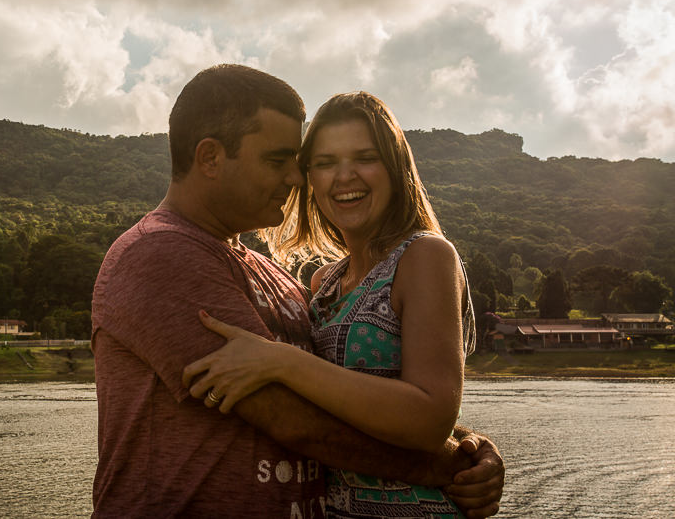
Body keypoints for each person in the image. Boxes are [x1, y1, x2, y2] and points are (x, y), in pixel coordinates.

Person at [91, 65, 504, 518]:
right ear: (209, 158)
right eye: (279, 160)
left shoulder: (281, 276)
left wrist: (464, 442)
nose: (296, 178)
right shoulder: (161, 254)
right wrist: (448, 466)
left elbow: (358, 393)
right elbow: (295, 419)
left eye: (297, 162)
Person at [182, 91, 481, 517]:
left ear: (395, 169)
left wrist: (282, 362)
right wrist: (472, 444)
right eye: (325, 163)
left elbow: (432, 419)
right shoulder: (323, 283)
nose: (344, 176)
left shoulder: (425, 256)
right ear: (309, 179)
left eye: (365, 157)